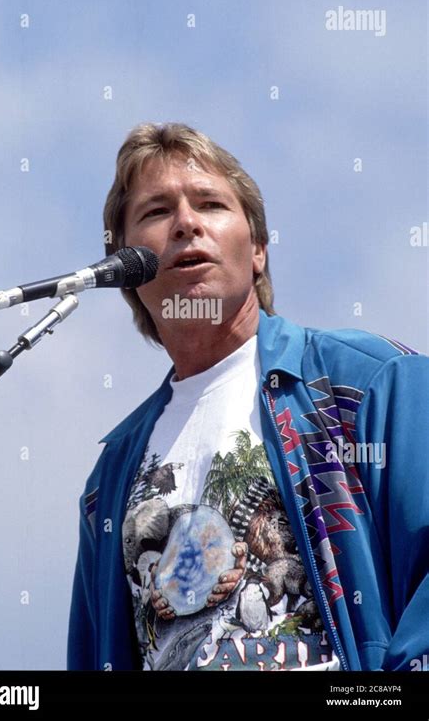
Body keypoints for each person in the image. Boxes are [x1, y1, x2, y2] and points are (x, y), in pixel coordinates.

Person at [67, 122, 429, 672]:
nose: (186, 223)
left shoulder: (371, 381)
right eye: (157, 212)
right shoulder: (108, 484)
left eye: (210, 204)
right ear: (126, 269)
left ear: (257, 249)